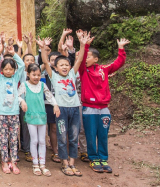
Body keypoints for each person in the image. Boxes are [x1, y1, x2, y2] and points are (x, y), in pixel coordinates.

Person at [39, 31, 89, 177]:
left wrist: (82, 44)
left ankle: (72, 162)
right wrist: (43, 48)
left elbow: (79, 60)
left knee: (73, 136)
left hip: (74, 109)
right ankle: (64, 163)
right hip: (61, 110)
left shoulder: (72, 74)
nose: (65, 67)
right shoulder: (53, 76)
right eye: (61, 65)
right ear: (56, 67)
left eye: (66, 64)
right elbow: (46, 62)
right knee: (62, 136)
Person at [80, 37, 129, 174]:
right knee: (90, 135)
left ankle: (103, 158)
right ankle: (93, 158)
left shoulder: (104, 69)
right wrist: (85, 46)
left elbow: (118, 63)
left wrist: (121, 48)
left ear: (96, 59)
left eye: (89, 57)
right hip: (89, 108)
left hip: (104, 108)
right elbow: (81, 59)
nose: (86, 59)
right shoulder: (83, 70)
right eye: (86, 56)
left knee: (102, 135)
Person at [18, 63, 59, 177]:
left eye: (38, 75)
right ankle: (35, 164)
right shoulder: (24, 85)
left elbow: (49, 96)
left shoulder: (42, 85)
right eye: (33, 74)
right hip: (30, 116)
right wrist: (22, 101)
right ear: (28, 74)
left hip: (41, 116)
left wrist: (55, 104)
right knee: (34, 140)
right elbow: (17, 96)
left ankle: (43, 164)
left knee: (42, 141)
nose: (36, 77)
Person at [0, 41, 24, 174]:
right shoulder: (0, 78)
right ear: (2, 70)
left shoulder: (15, 77)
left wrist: (13, 54)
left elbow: (22, 65)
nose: (8, 71)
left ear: (14, 70)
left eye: (11, 69)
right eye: (6, 69)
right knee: (4, 138)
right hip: (2, 113)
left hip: (14, 112)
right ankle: (4, 162)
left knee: (13, 138)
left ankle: (13, 162)